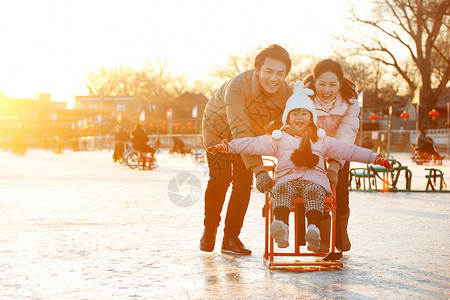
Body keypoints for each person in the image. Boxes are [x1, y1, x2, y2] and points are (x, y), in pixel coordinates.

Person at [206, 82, 391, 249]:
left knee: (314, 192)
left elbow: (347, 150)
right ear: (288, 117)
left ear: (311, 117)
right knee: (281, 191)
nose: (299, 118)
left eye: (304, 113)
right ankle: (281, 227)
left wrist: (374, 158)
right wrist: (227, 146)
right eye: (295, 113)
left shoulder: (321, 139)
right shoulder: (278, 138)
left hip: (314, 181)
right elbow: (251, 144)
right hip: (287, 180)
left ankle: (313, 229)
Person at [200, 44, 292, 255]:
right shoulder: (238, 87)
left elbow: (289, 125)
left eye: (280, 73)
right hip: (218, 129)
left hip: (250, 132)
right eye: (268, 71)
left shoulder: (286, 93)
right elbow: (240, 131)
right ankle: (210, 229)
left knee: (243, 183)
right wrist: (260, 169)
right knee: (220, 178)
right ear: (257, 69)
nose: (273, 78)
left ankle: (231, 238)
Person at [303, 58, 360, 252]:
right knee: (315, 187)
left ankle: (341, 232)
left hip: (339, 147)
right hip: (313, 147)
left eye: (332, 85)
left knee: (340, 188)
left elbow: (347, 132)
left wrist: (335, 164)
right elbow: (303, 129)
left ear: (340, 84)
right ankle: (323, 235)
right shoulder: (305, 99)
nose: (327, 90)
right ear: (315, 81)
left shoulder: (350, 102)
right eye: (322, 84)